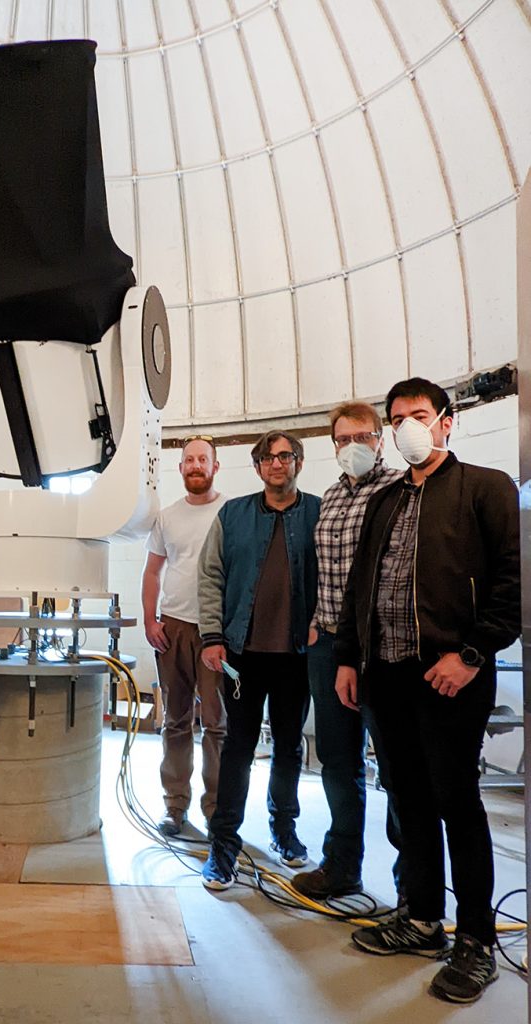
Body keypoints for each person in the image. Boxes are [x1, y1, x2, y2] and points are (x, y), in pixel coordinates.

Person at [335, 377, 519, 1005]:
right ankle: (420, 918)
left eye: (419, 415)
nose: (408, 425)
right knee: (410, 802)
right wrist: (348, 659)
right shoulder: (385, 500)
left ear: (447, 421)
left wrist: (471, 655)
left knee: (458, 805)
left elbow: (511, 586)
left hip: (450, 675)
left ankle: (475, 942)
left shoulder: (486, 489)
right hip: (385, 674)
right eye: (397, 418)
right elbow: (363, 587)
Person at [198, 431, 320, 890]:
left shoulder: (318, 513)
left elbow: (334, 576)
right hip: (242, 656)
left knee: (289, 748)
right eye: (268, 457)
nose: (277, 464)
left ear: (299, 463)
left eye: (286, 456)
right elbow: (211, 576)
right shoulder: (233, 514)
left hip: (297, 656)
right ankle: (223, 846)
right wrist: (212, 637)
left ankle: (284, 831)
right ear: (257, 467)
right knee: (238, 749)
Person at [292, 403, 404, 900]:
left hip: (384, 650)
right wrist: (319, 624)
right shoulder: (332, 497)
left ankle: (413, 889)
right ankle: (342, 866)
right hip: (331, 645)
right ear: (332, 444)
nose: (353, 445)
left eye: (363, 435)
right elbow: (326, 572)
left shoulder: (401, 489)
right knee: (338, 761)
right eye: (343, 438)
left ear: (380, 438)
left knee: (401, 769)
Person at [142, 435, 227, 836]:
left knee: (216, 723)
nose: (195, 465)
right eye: (189, 460)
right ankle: (175, 807)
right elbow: (152, 571)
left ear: (215, 466)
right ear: (181, 469)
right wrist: (150, 621)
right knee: (175, 721)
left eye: (202, 459)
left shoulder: (232, 512)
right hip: (172, 627)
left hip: (216, 632)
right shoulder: (168, 517)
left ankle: (217, 809)